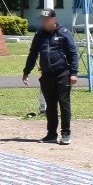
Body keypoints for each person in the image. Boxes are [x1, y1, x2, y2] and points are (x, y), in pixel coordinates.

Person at [21, 8, 79, 145]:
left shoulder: (63, 33)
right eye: (42, 20)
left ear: (53, 20)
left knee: (64, 104)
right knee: (50, 106)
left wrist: (73, 73)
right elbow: (33, 54)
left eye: (47, 20)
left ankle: (66, 134)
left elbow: (73, 53)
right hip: (46, 75)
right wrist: (26, 71)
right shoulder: (39, 34)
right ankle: (51, 134)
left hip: (62, 73)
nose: (44, 22)